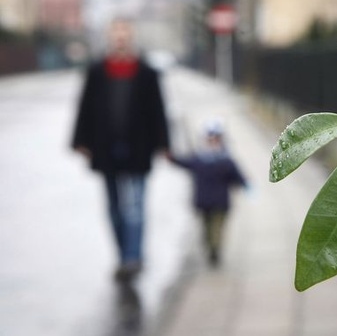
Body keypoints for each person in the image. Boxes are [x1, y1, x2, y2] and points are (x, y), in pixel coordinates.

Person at [71, 18, 170, 281]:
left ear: (131, 37)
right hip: (105, 148)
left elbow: (159, 110)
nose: (120, 38)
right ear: (110, 37)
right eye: (116, 34)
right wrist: (80, 141)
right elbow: (84, 108)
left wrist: (163, 143)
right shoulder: (97, 71)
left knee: (136, 206)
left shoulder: (147, 73)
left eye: (125, 33)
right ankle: (122, 253)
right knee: (114, 208)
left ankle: (132, 258)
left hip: (139, 148)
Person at [168, 121, 247, 265]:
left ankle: (215, 249)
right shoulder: (198, 159)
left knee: (217, 227)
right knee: (205, 229)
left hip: (220, 203)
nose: (213, 142)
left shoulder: (226, 161)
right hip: (203, 202)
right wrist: (171, 157)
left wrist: (246, 186)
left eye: (216, 139)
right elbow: (183, 162)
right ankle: (210, 246)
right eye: (210, 139)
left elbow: (237, 176)